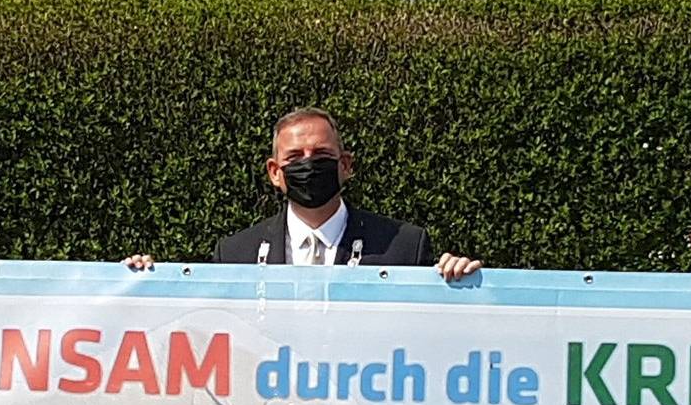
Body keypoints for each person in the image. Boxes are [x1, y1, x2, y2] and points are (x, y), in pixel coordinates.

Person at [131, 107, 482, 278]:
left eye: (322, 155)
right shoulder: (235, 253)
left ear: (346, 165)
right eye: (295, 157)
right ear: (275, 172)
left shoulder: (404, 246)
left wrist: (460, 284)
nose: (308, 165)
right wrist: (137, 285)